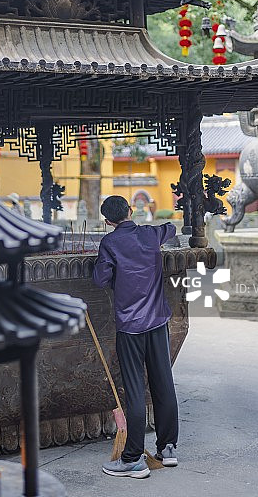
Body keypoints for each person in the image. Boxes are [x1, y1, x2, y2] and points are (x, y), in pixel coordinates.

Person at [93, 195, 179, 479]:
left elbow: (100, 279)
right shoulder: (152, 234)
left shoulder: (110, 243)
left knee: (134, 391)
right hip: (157, 321)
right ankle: (167, 449)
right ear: (130, 211)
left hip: (130, 326)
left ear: (107, 221)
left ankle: (132, 459)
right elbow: (172, 228)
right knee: (163, 383)